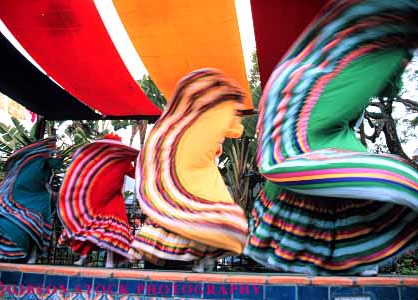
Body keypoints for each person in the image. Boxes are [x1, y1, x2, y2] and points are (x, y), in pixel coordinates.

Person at [245, 0, 418, 275]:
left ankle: (342, 261)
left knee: (336, 179)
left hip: (318, 113)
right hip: (311, 117)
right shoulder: (382, 36)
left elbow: (387, 84)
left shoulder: (377, 47)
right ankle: (344, 260)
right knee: (328, 168)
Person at [129, 68, 248, 272]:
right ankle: (189, 261)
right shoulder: (185, 135)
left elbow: (231, 130)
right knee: (194, 214)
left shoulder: (189, 134)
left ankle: (191, 261)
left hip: (197, 180)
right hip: (188, 182)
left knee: (201, 214)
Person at [57, 134, 138, 268]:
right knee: (90, 225)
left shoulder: (124, 160)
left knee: (112, 230)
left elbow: (135, 174)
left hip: (114, 199)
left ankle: (109, 261)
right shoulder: (98, 160)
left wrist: (139, 161)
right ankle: (84, 257)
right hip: (96, 199)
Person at [0, 137, 61, 263]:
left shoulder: (40, 165)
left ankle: (30, 256)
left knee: (36, 226)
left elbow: (55, 166)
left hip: (40, 200)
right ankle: (9, 254)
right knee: (17, 223)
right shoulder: (31, 164)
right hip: (27, 199)